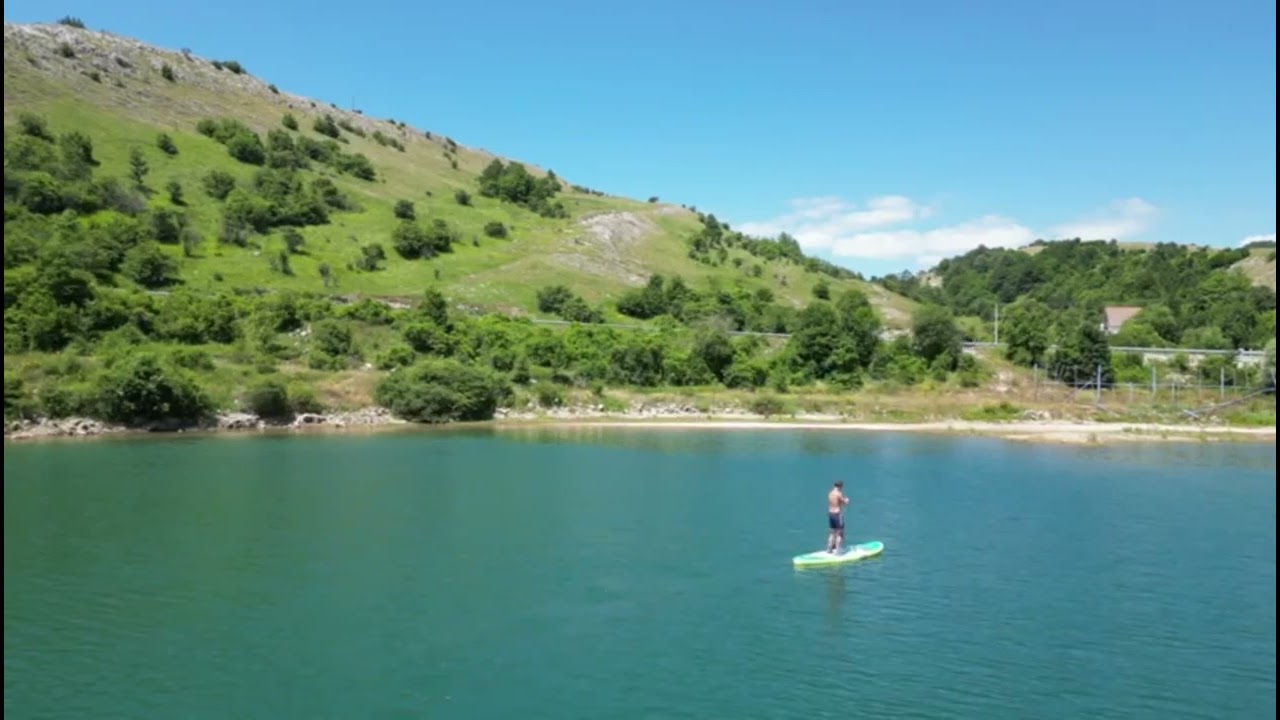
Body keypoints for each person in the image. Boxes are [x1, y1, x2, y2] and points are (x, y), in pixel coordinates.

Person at [827, 481, 849, 553]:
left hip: (830, 514)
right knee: (840, 533)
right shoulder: (839, 494)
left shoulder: (830, 493)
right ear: (840, 486)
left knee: (832, 532)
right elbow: (844, 503)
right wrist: (847, 500)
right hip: (837, 514)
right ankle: (838, 551)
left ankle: (829, 550)